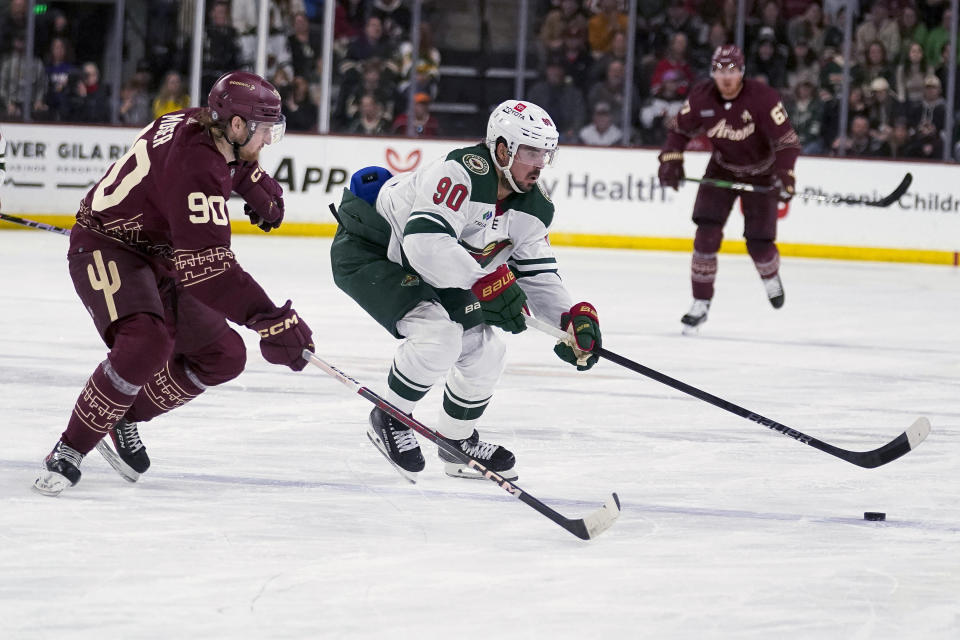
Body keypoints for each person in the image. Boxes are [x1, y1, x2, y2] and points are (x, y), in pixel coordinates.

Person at [33, 70, 315, 496]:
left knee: (223, 355)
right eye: (264, 133)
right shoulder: (196, 167)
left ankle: (121, 415)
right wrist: (270, 319)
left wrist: (255, 183)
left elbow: (233, 165)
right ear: (237, 125)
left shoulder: (202, 124)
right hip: (105, 247)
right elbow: (210, 270)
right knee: (146, 340)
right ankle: (70, 447)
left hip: (157, 254)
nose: (266, 144)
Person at [329, 99, 602, 482]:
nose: (540, 163)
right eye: (530, 151)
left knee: (487, 351)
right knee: (439, 336)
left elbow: (538, 274)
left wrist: (568, 321)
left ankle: (456, 445)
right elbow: (423, 243)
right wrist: (483, 283)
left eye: (546, 152)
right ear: (502, 148)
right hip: (374, 250)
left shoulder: (535, 208)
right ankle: (388, 416)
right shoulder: (461, 172)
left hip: (444, 266)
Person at [657, 44, 800, 334]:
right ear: (712, 72)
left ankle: (770, 275)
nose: (726, 77)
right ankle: (700, 303)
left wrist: (785, 174)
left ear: (742, 72)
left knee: (759, 244)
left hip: (762, 173)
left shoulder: (762, 98)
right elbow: (679, 129)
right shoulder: (702, 97)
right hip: (721, 169)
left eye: (732, 70)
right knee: (706, 235)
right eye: (720, 70)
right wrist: (671, 159)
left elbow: (787, 141)